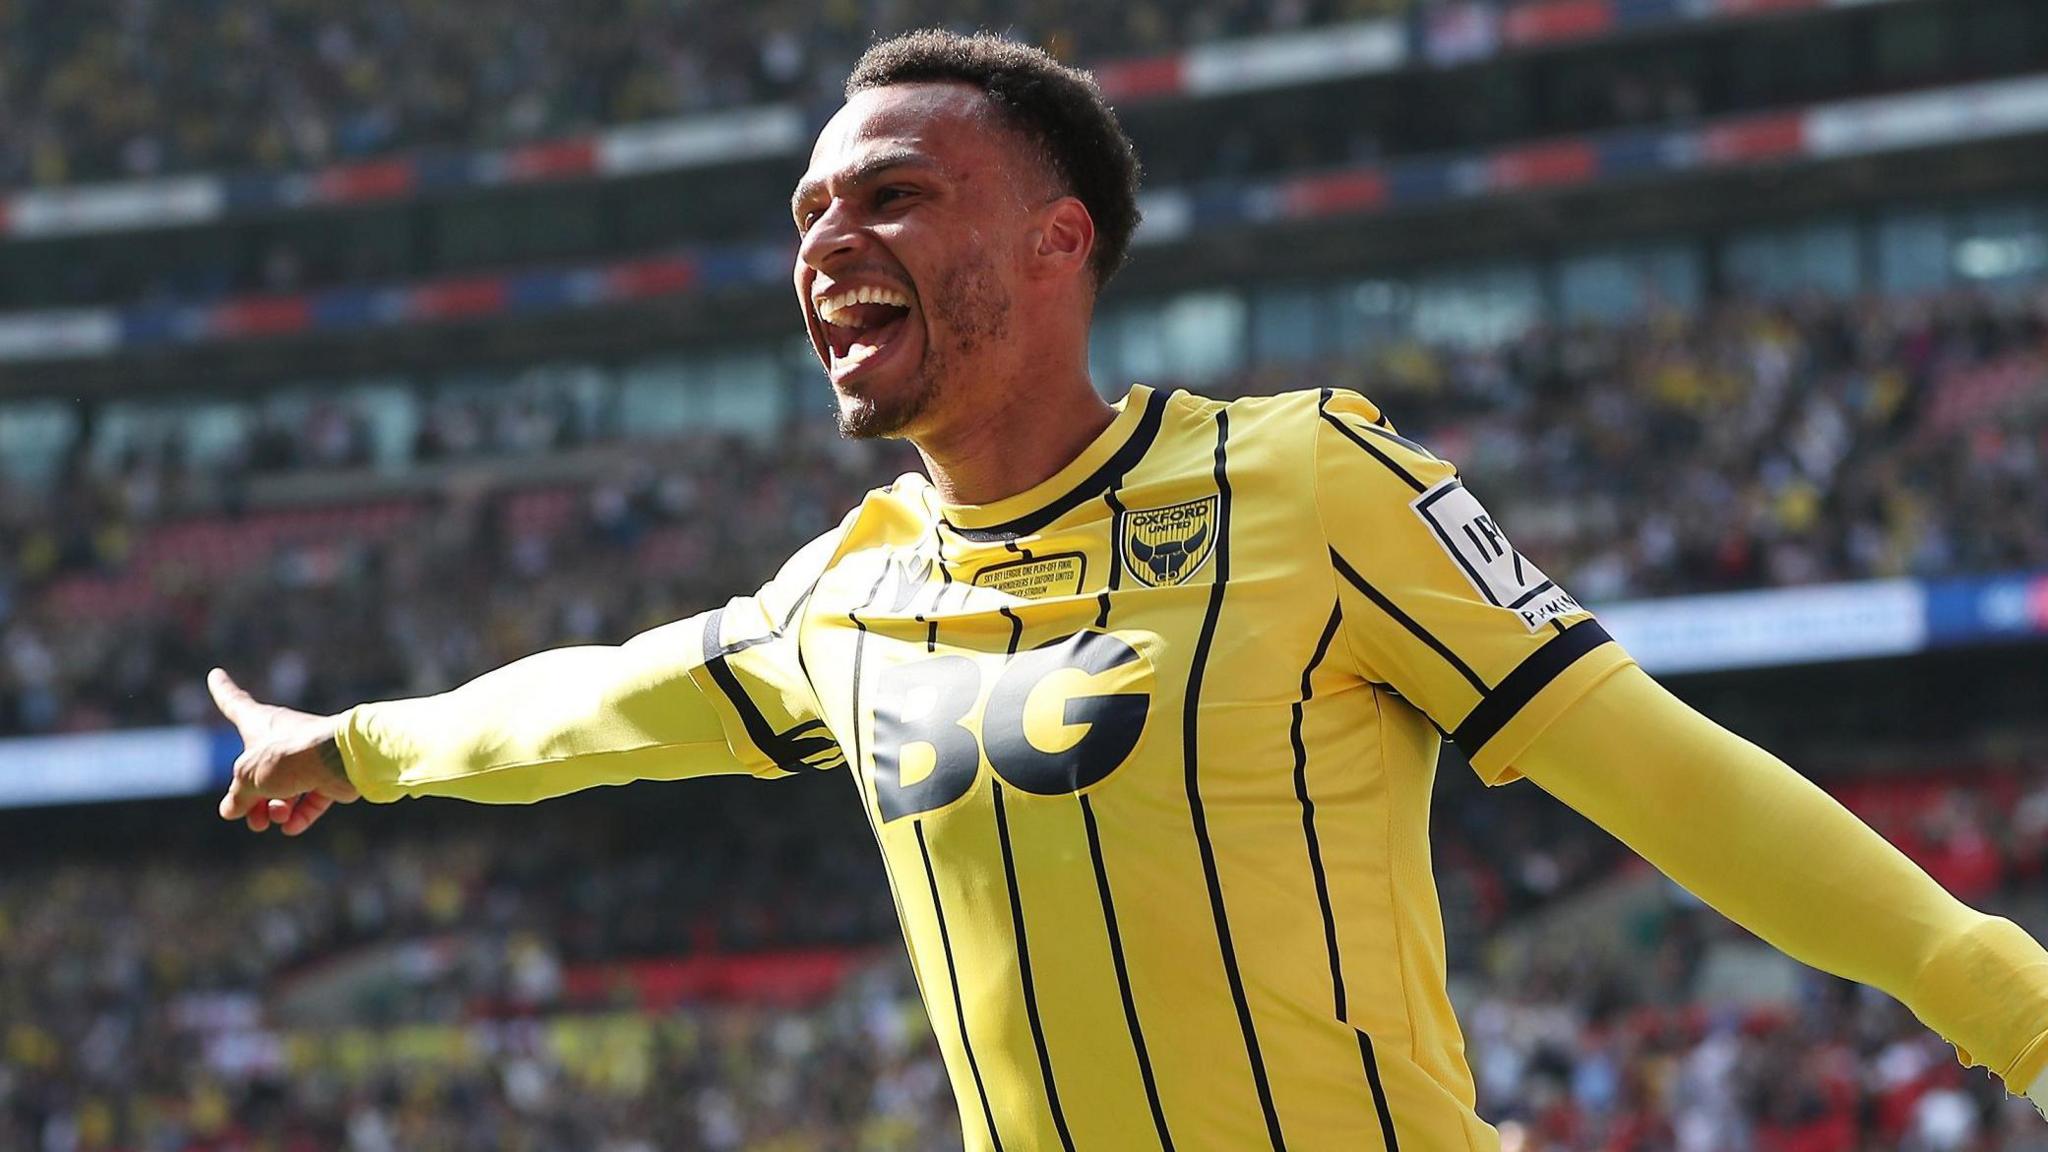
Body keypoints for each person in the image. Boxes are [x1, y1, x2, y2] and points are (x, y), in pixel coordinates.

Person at [208, 30, 2048, 1151]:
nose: (829, 246)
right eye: (806, 219)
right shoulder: (838, 604)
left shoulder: (1312, 486)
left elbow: (1666, 776)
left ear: (1058, 241)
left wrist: (2009, 1003)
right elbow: (587, 707)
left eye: (895, 199)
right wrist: (353, 745)